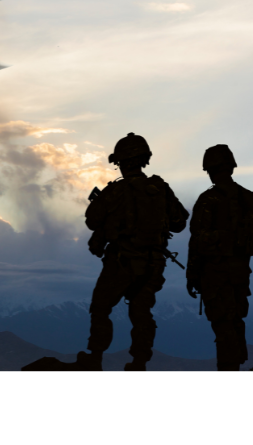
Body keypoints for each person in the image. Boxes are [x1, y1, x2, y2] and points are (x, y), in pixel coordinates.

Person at [76, 133, 189, 372]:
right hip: (153, 264)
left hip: (122, 262)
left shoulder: (115, 191)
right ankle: (139, 364)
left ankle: (95, 359)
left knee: (101, 307)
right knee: (141, 313)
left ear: (120, 162)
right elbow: (180, 223)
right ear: (144, 159)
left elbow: (91, 220)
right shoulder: (160, 189)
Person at [186, 145, 253, 372]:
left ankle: (229, 367)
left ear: (210, 169)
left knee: (223, 328)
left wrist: (192, 274)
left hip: (216, 275)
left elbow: (197, 241)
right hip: (240, 275)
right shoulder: (249, 199)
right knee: (234, 323)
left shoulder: (208, 199)